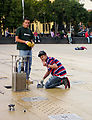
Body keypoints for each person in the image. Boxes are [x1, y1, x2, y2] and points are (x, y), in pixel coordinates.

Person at [15, 17, 35, 83]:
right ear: (23, 23)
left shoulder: (29, 30)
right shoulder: (19, 29)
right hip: (23, 49)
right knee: (22, 64)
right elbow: (17, 39)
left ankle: (27, 78)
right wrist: (25, 42)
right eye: (26, 23)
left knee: (29, 64)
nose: (27, 24)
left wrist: (32, 42)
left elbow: (32, 38)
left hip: (29, 50)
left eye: (28, 23)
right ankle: (19, 79)